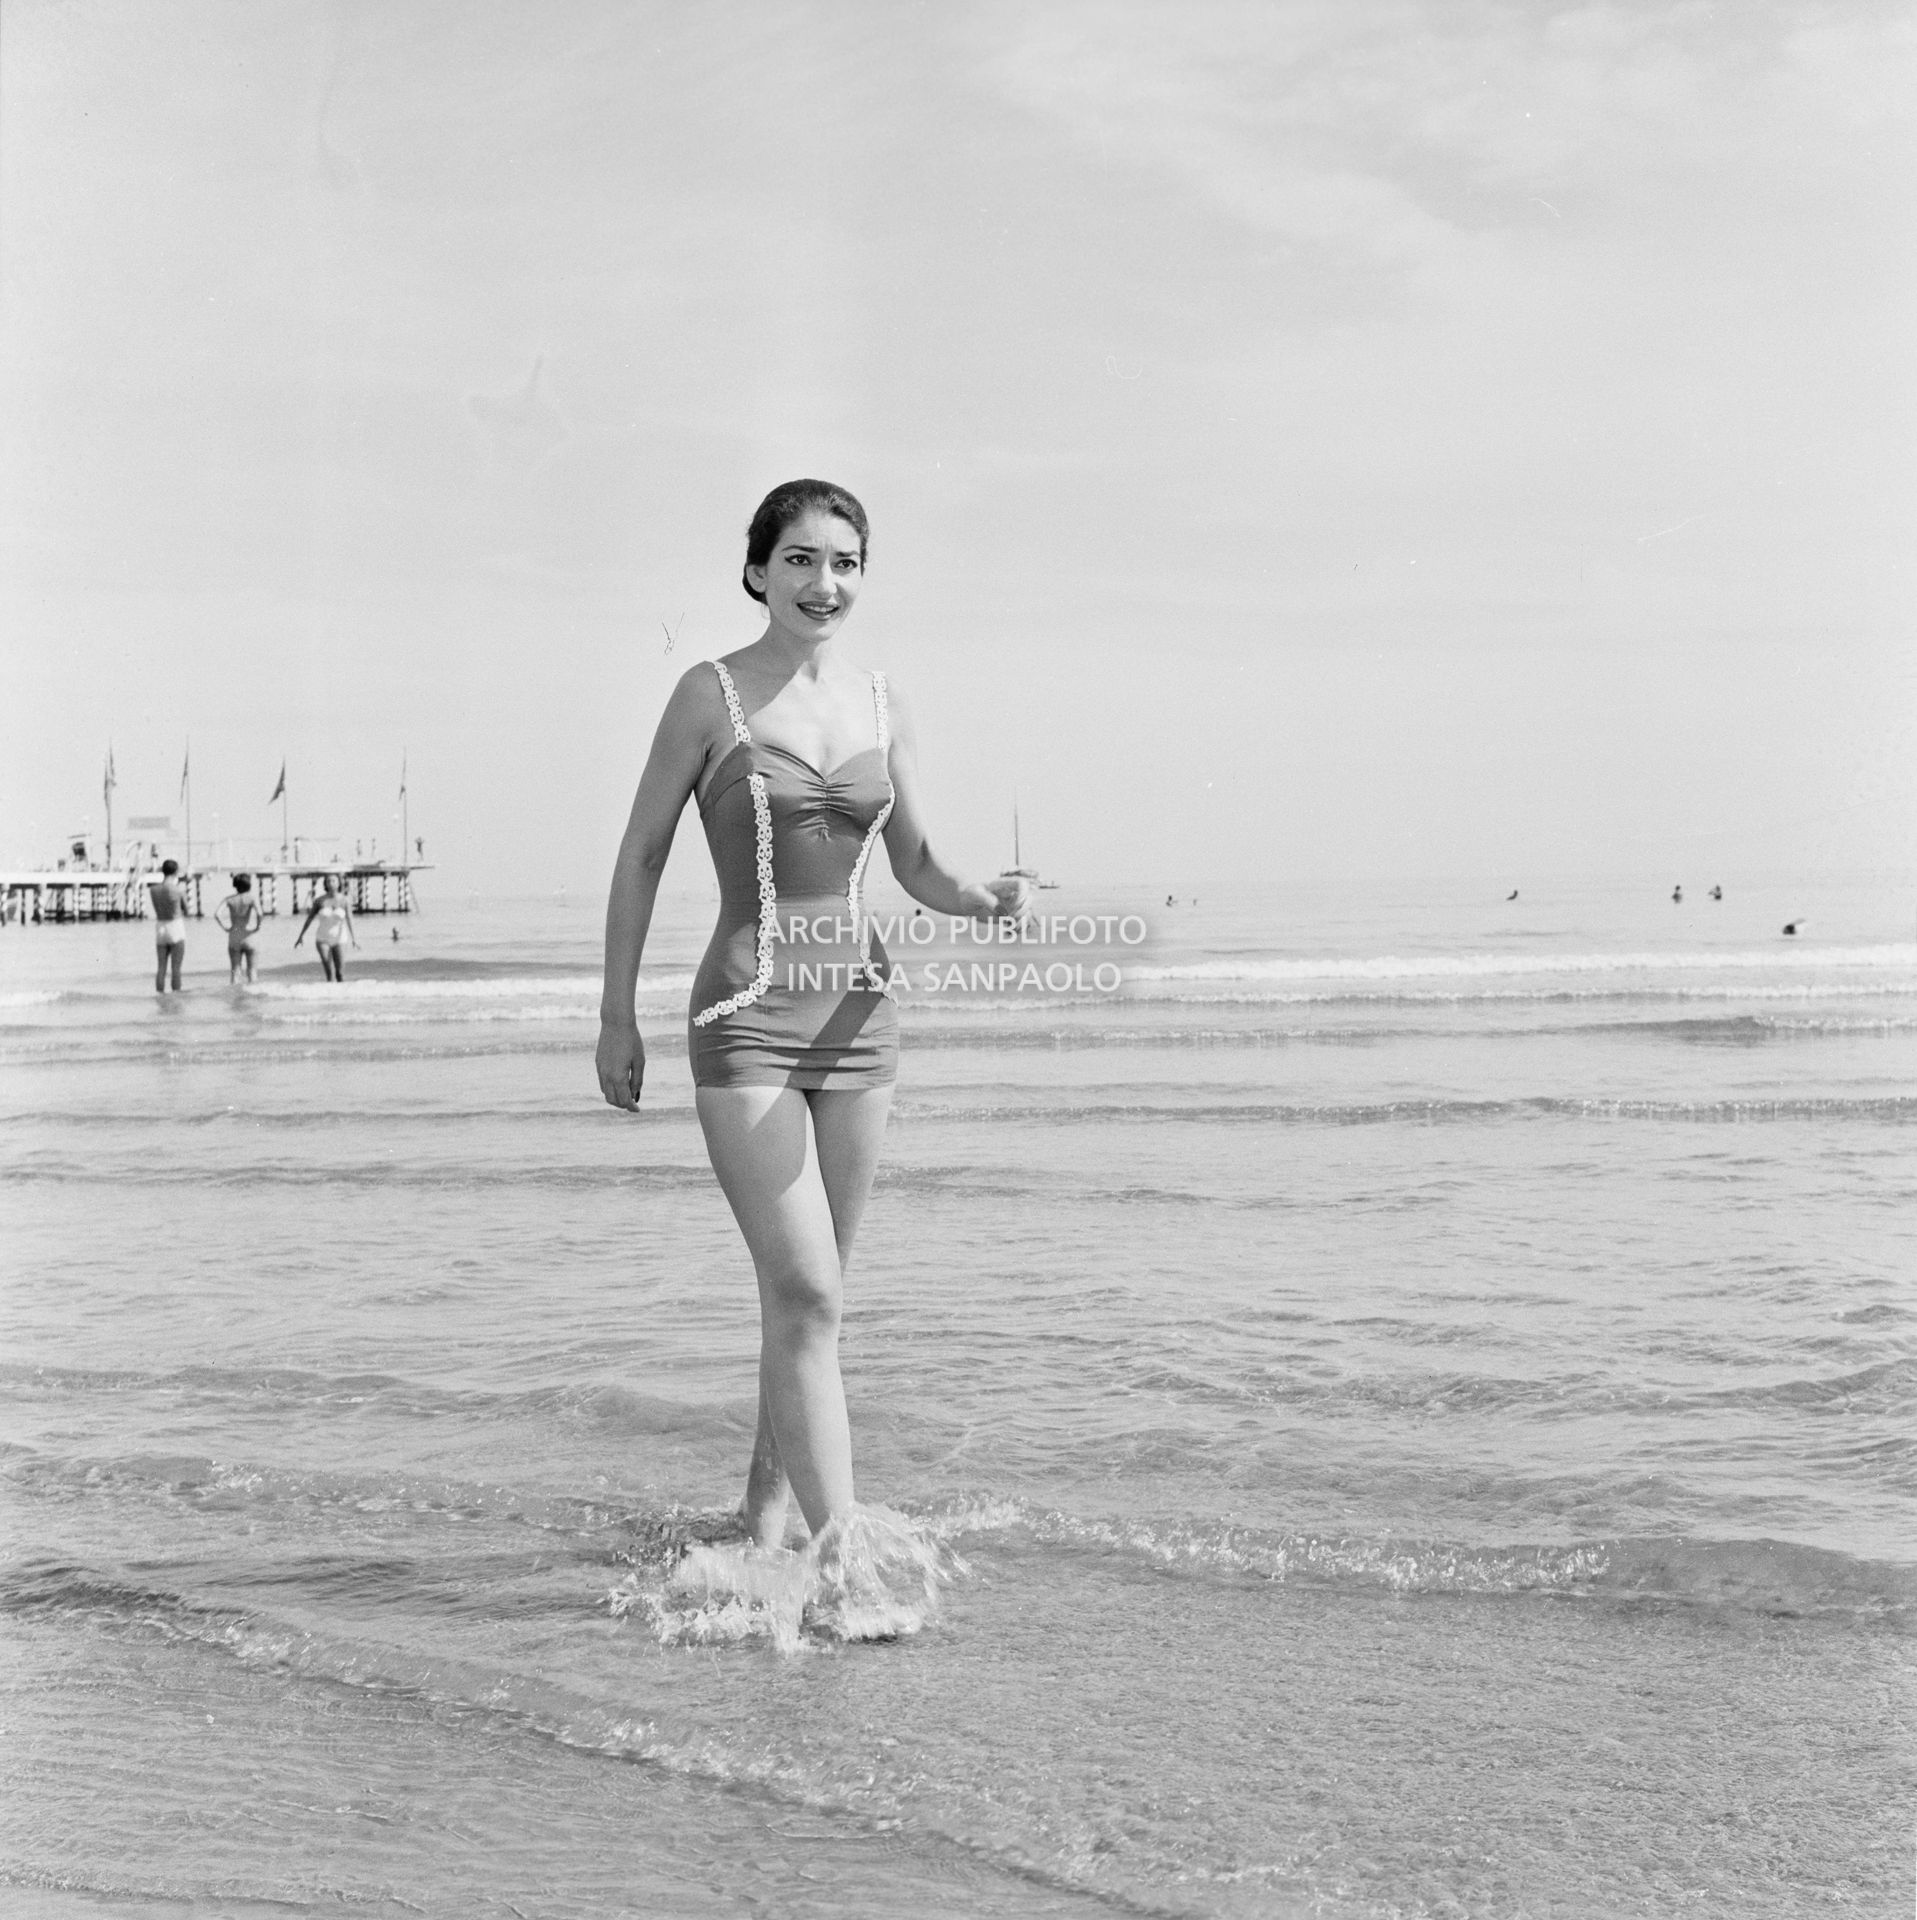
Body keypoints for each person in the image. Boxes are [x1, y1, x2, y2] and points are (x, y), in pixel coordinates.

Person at [597, 479, 1028, 1557]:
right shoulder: (710, 695)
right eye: (798, 559)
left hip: (861, 1022)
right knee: (806, 1292)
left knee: (810, 1303)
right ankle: (846, 1555)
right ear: (756, 572)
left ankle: (763, 1520)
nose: (821, 582)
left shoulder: (884, 704)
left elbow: (917, 862)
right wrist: (615, 1015)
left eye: (842, 561)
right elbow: (642, 854)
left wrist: (978, 897)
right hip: (745, 1017)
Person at [294, 876, 357, 980]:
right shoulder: (319, 901)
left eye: (333, 881)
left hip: (340, 939)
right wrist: (301, 936)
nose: (331, 883)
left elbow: (350, 919)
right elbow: (309, 919)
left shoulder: (344, 900)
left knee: (340, 973)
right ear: (325, 884)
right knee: (329, 972)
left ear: (338, 883)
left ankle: (341, 994)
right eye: (328, 881)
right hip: (322, 938)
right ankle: (329, 994)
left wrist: (354, 939)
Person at [148, 858, 189, 992]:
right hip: (175, 926)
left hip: (160, 926)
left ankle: (160, 996)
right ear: (176, 871)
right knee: (176, 968)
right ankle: (176, 996)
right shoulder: (177, 890)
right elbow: (187, 910)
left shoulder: (153, 890)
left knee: (161, 968)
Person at [216, 873, 263, 984]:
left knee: (235, 972)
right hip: (249, 935)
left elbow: (217, 914)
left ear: (236, 885)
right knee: (252, 971)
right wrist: (257, 927)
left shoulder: (229, 899)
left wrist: (225, 928)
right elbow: (260, 913)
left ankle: (235, 998)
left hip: (234, 936)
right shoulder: (252, 898)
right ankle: (253, 997)